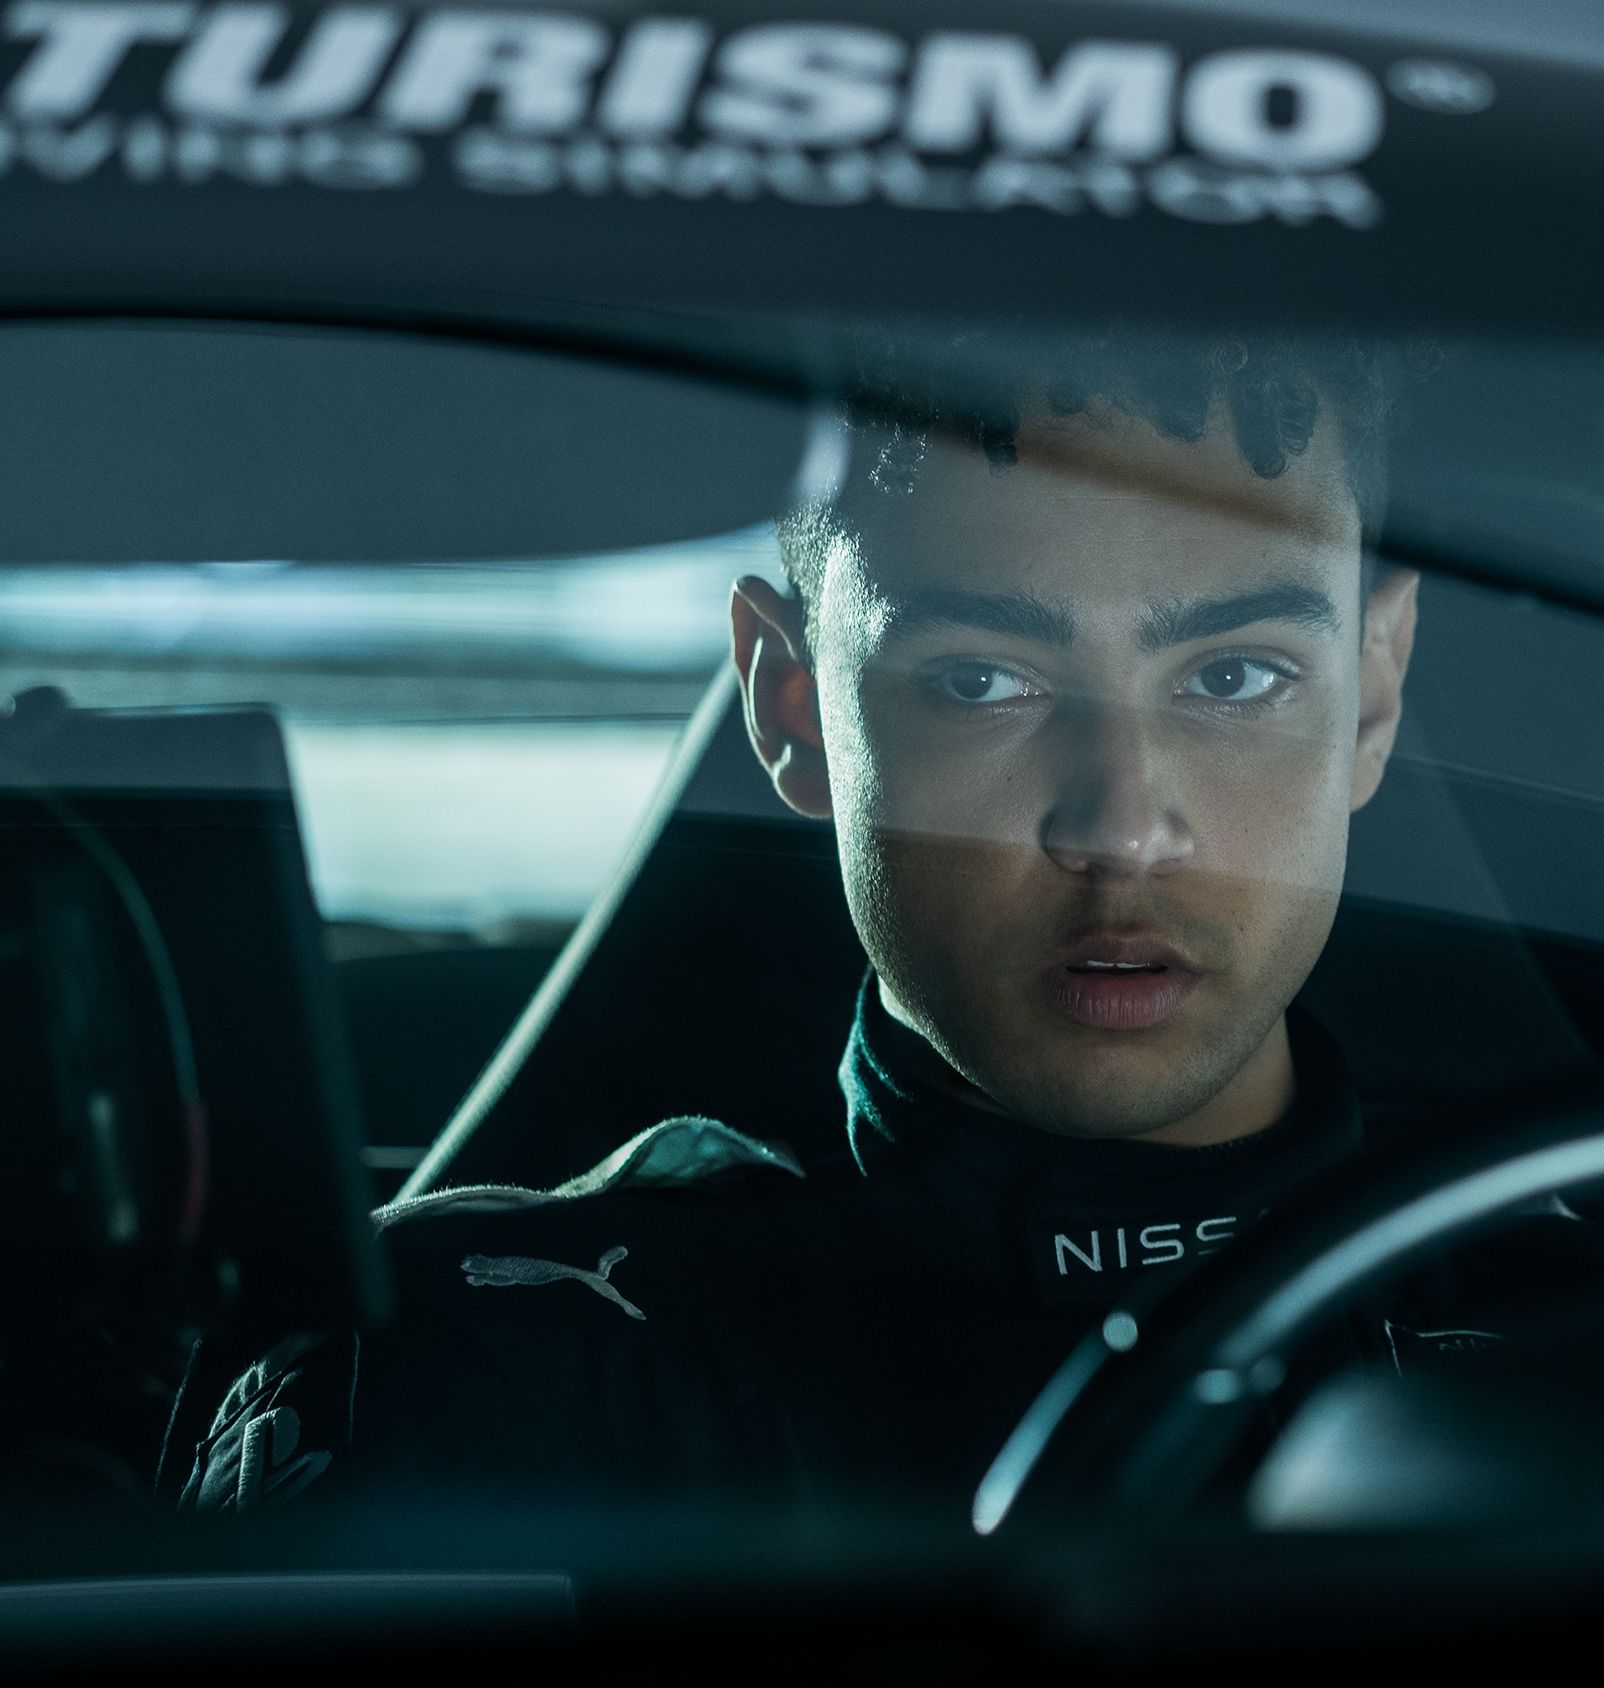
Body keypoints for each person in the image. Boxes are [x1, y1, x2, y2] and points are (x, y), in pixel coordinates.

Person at [182, 337, 1428, 1515]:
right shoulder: (502, 1367)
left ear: (1371, 693)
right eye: (979, 680)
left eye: (1233, 676)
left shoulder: (1600, 1301)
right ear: (792, 703)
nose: (1119, 826)